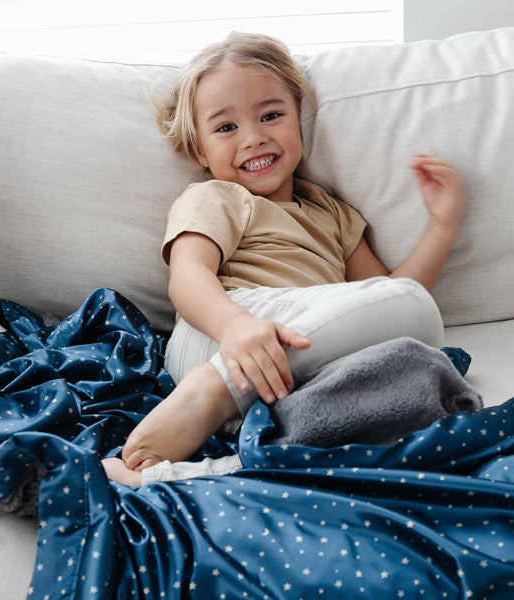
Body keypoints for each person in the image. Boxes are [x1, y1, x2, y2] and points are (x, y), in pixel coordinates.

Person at [101, 32, 463, 486]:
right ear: (199, 151)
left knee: (412, 359)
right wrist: (234, 327)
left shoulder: (330, 213)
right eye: (226, 127)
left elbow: (388, 298)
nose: (253, 138)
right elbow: (188, 275)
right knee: (416, 319)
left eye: (271, 115)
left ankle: (178, 476)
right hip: (225, 337)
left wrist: (441, 227)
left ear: (298, 121)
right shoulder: (219, 197)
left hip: (299, 373)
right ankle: (207, 397)